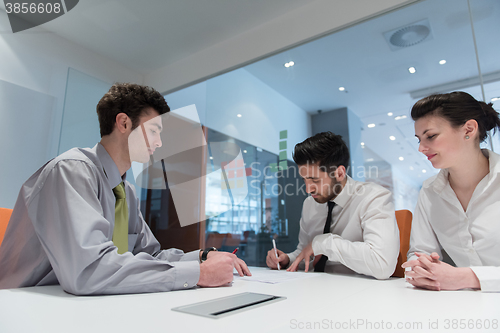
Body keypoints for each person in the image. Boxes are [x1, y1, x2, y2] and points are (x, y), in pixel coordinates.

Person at [0, 83, 250, 295]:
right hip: (24, 303)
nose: (159, 142)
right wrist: (198, 274)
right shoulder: (72, 171)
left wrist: (203, 257)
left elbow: (151, 255)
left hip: (81, 305)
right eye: (154, 130)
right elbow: (90, 270)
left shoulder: (125, 191)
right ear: (123, 123)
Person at [266, 132, 399, 279]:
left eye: (315, 180)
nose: (308, 189)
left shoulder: (373, 197)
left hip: (358, 292)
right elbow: (306, 252)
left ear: (340, 173)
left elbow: (382, 264)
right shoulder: (310, 203)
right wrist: (287, 260)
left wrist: (324, 243)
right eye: (304, 180)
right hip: (314, 288)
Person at [403, 91, 500, 292]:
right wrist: (422, 267)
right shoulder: (429, 192)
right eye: (419, 139)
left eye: (431, 136)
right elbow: (420, 251)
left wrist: (468, 277)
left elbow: (462, 278)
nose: (421, 148)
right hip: (460, 307)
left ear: (469, 129)